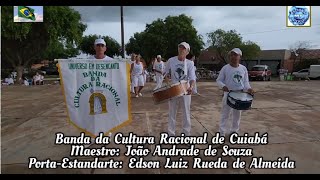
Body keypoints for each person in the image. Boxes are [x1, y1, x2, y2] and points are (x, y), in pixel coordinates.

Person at [216, 48, 254, 138]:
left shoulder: (243, 69)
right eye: (232, 55)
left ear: (240, 57)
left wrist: (249, 89)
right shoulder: (225, 68)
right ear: (230, 56)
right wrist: (223, 86)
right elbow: (219, 80)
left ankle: (234, 132)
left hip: (240, 95)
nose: (234, 57)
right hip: (228, 94)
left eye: (236, 55)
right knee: (225, 115)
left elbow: (245, 83)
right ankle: (221, 134)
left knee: (237, 115)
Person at [163, 42, 196, 136]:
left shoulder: (190, 63)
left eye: (184, 48)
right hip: (173, 88)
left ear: (187, 52)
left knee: (186, 113)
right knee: (172, 112)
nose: (181, 49)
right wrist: (167, 80)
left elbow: (192, 78)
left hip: (185, 89)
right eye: (180, 47)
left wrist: (191, 87)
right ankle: (171, 134)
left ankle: (186, 134)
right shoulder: (171, 60)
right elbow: (165, 73)